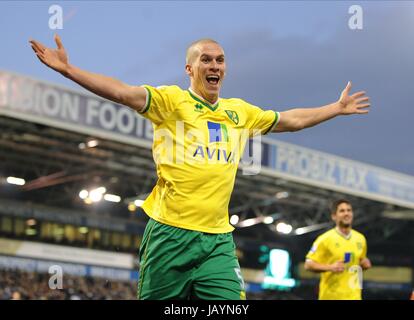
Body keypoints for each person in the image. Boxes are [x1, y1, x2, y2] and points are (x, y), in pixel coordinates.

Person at [29, 35, 370, 300]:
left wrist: (335, 108)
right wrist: (69, 71)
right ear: (190, 69)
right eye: (206, 60)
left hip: (217, 241)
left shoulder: (240, 112)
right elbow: (122, 92)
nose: (215, 65)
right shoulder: (170, 102)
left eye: (220, 60)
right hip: (169, 236)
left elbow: (291, 120)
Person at [304, 199, 372, 300]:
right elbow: (308, 265)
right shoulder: (324, 239)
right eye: (342, 211)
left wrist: (365, 264)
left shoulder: (360, 239)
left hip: (354, 297)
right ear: (334, 216)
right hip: (331, 296)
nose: (346, 213)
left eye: (349, 210)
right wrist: (330, 267)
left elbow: (361, 261)